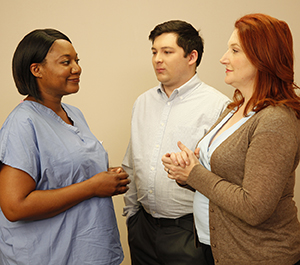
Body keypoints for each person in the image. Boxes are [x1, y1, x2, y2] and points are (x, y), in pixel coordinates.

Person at [162, 13, 300, 265]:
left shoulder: (276, 120)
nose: (223, 58)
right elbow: (218, 176)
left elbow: (254, 208)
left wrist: (194, 173)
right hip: (215, 247)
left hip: (258, 255)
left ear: (263, 58)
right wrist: (186, 168)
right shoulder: (232, 110)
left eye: (235, 50)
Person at [0, 29, 130, 265]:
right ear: (36, 69)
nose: (77, 68)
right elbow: (14, 206)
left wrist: (105, 178)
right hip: (49, 255)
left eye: (77, 60)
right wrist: (92, 186)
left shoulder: (73, 114)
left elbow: (64, 172)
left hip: (88, 250)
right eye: (65, 62)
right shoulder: (22, 123)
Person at [122, 20, 230, 265]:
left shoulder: (218, 106)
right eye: (154, 52)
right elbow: (131, 161)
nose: (157, 59)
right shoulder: (143, 102)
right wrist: (132, 216)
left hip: (189, 232)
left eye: (167, 52)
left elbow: (224, 177)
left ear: (192, 56)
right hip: (143, 228)